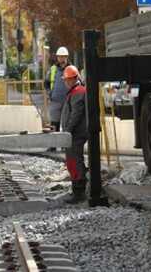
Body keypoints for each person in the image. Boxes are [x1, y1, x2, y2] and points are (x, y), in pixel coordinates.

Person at [60, 65, 88, 204]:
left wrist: (67, 131)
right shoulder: (76, 91)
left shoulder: (77, 92)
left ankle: (79, 192)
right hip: (74, 133)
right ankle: (78, 189)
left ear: (73, 79)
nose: (65, 82)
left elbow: (76, 114)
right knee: (74, 160)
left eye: (66, 80)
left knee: (74, 161)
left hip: (75, 134)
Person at [45, 47, 71, 132]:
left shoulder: (71, 69)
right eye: (59, 56)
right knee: (54, 124)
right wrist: (49, 94)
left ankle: (65, 145)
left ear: (67, 57)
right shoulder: (53, 69)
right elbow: (46, 83)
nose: (61, 58)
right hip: (55, 101)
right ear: (57, 57)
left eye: (63, 56)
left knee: (66, 124)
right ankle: (53, 144)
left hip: (68, 102)